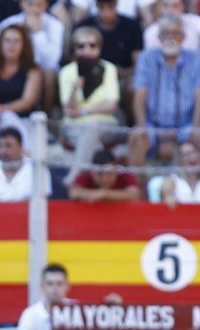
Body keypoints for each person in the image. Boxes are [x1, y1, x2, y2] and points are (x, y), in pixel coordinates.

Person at [128, 14, 200, 167]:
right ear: (159, 37)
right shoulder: (147, 59)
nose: (170, 37)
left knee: (199, 137)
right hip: (153, 124)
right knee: (138, 139)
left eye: (175, 33)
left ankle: (196, 188)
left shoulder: (195, 59)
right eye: (166, 33)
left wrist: (197, 126)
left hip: (185, 124)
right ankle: (139, 189)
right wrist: (141, 124)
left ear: (183, 38)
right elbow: (139, 95)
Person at [59, 25, 121, 177]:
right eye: (81, 46)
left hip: (104, 124)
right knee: (95, 144)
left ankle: (74, 177)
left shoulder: (109, 68)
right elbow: (68, 110)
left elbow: (112, 106)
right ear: (74, 49)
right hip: (74, 126)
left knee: (92, 128)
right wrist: (75, 90)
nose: (87, 49)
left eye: (92, 45)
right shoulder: (67, 71)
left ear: (99, 48)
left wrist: (84, 111)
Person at [0, 23, 44, 146]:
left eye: (16, 41)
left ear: (24, 45)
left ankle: (22, 152)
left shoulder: (32, 70)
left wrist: (2, 110)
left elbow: (27, 102)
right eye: (7, 41)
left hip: (23, 122)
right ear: (0, 44)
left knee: (7, 117)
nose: (11, 45)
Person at [143, 0, 200, 80]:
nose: (170, 11)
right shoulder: (151, 33)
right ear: (160, 8)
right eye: (166, 6)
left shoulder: (197, 23)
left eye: (175, 6)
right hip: (167, 84)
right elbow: (151, 65)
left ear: (182, 7)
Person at [0, 126, 51, 201]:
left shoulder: (38, 171)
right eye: (0, 146)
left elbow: (42, 204)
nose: (3, 151)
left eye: (8, 146)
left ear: (21, 147)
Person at [78, 0, 143, 79]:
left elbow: (139, 64)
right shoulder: (84, 26)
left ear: (116, 4)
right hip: (91, 77)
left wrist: (123, 72)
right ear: (97, 6)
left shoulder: (132, 27)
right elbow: (75, 59)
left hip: (123, 78)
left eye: (110, 6)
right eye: (102, 7)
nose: (106, 12)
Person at [15, 261, 73, 330]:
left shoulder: (78, 311)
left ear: (67, 286)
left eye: (59, 283)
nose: (55, 288)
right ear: (42, 286)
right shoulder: (30, 314)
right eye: (50, 283)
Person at [159, 139, 200, 206]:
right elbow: (166, 190)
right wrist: (168, 197)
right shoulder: (174, 180)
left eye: (194, 152)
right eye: (186, 154)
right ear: (180, 160)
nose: (192, 157)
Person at [69, 148, 141, 202]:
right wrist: (97, 194)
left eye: (109, 173)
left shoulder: (125, 175)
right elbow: (74, 193)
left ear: (116, 170)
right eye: (100, 174)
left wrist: (105, 194)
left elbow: (135, 195)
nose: (105, 178)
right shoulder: (85, 176)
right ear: (92, 172)